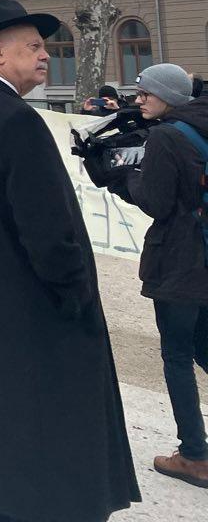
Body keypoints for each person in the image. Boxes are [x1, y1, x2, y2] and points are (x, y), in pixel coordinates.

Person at [0, 0, 139, 522]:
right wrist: (76, 301)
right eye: (35, 46)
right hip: (37, 323)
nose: (46, 56)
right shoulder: (14, 119)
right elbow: (50, 235)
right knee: (51, 471)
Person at [96, 62, 208, 489]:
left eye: (146, 94)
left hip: (180, 262)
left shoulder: (165, 135)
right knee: (204, 347)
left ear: (170, 97)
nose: (139, 100)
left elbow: (156, 202)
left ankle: (195, 456)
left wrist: (123, 176)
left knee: (177, 356)